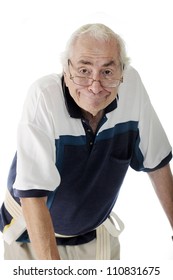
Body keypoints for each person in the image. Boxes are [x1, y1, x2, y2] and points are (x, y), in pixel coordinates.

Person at [0, 23, 172, 260]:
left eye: (108, 72)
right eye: (84, 70)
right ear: (66, 69)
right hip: (30, 234)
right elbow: (33, 198)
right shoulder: (43, 97)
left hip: (95, 233)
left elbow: (158, 164)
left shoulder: (131, 86)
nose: (95, 86)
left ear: (122, 71)